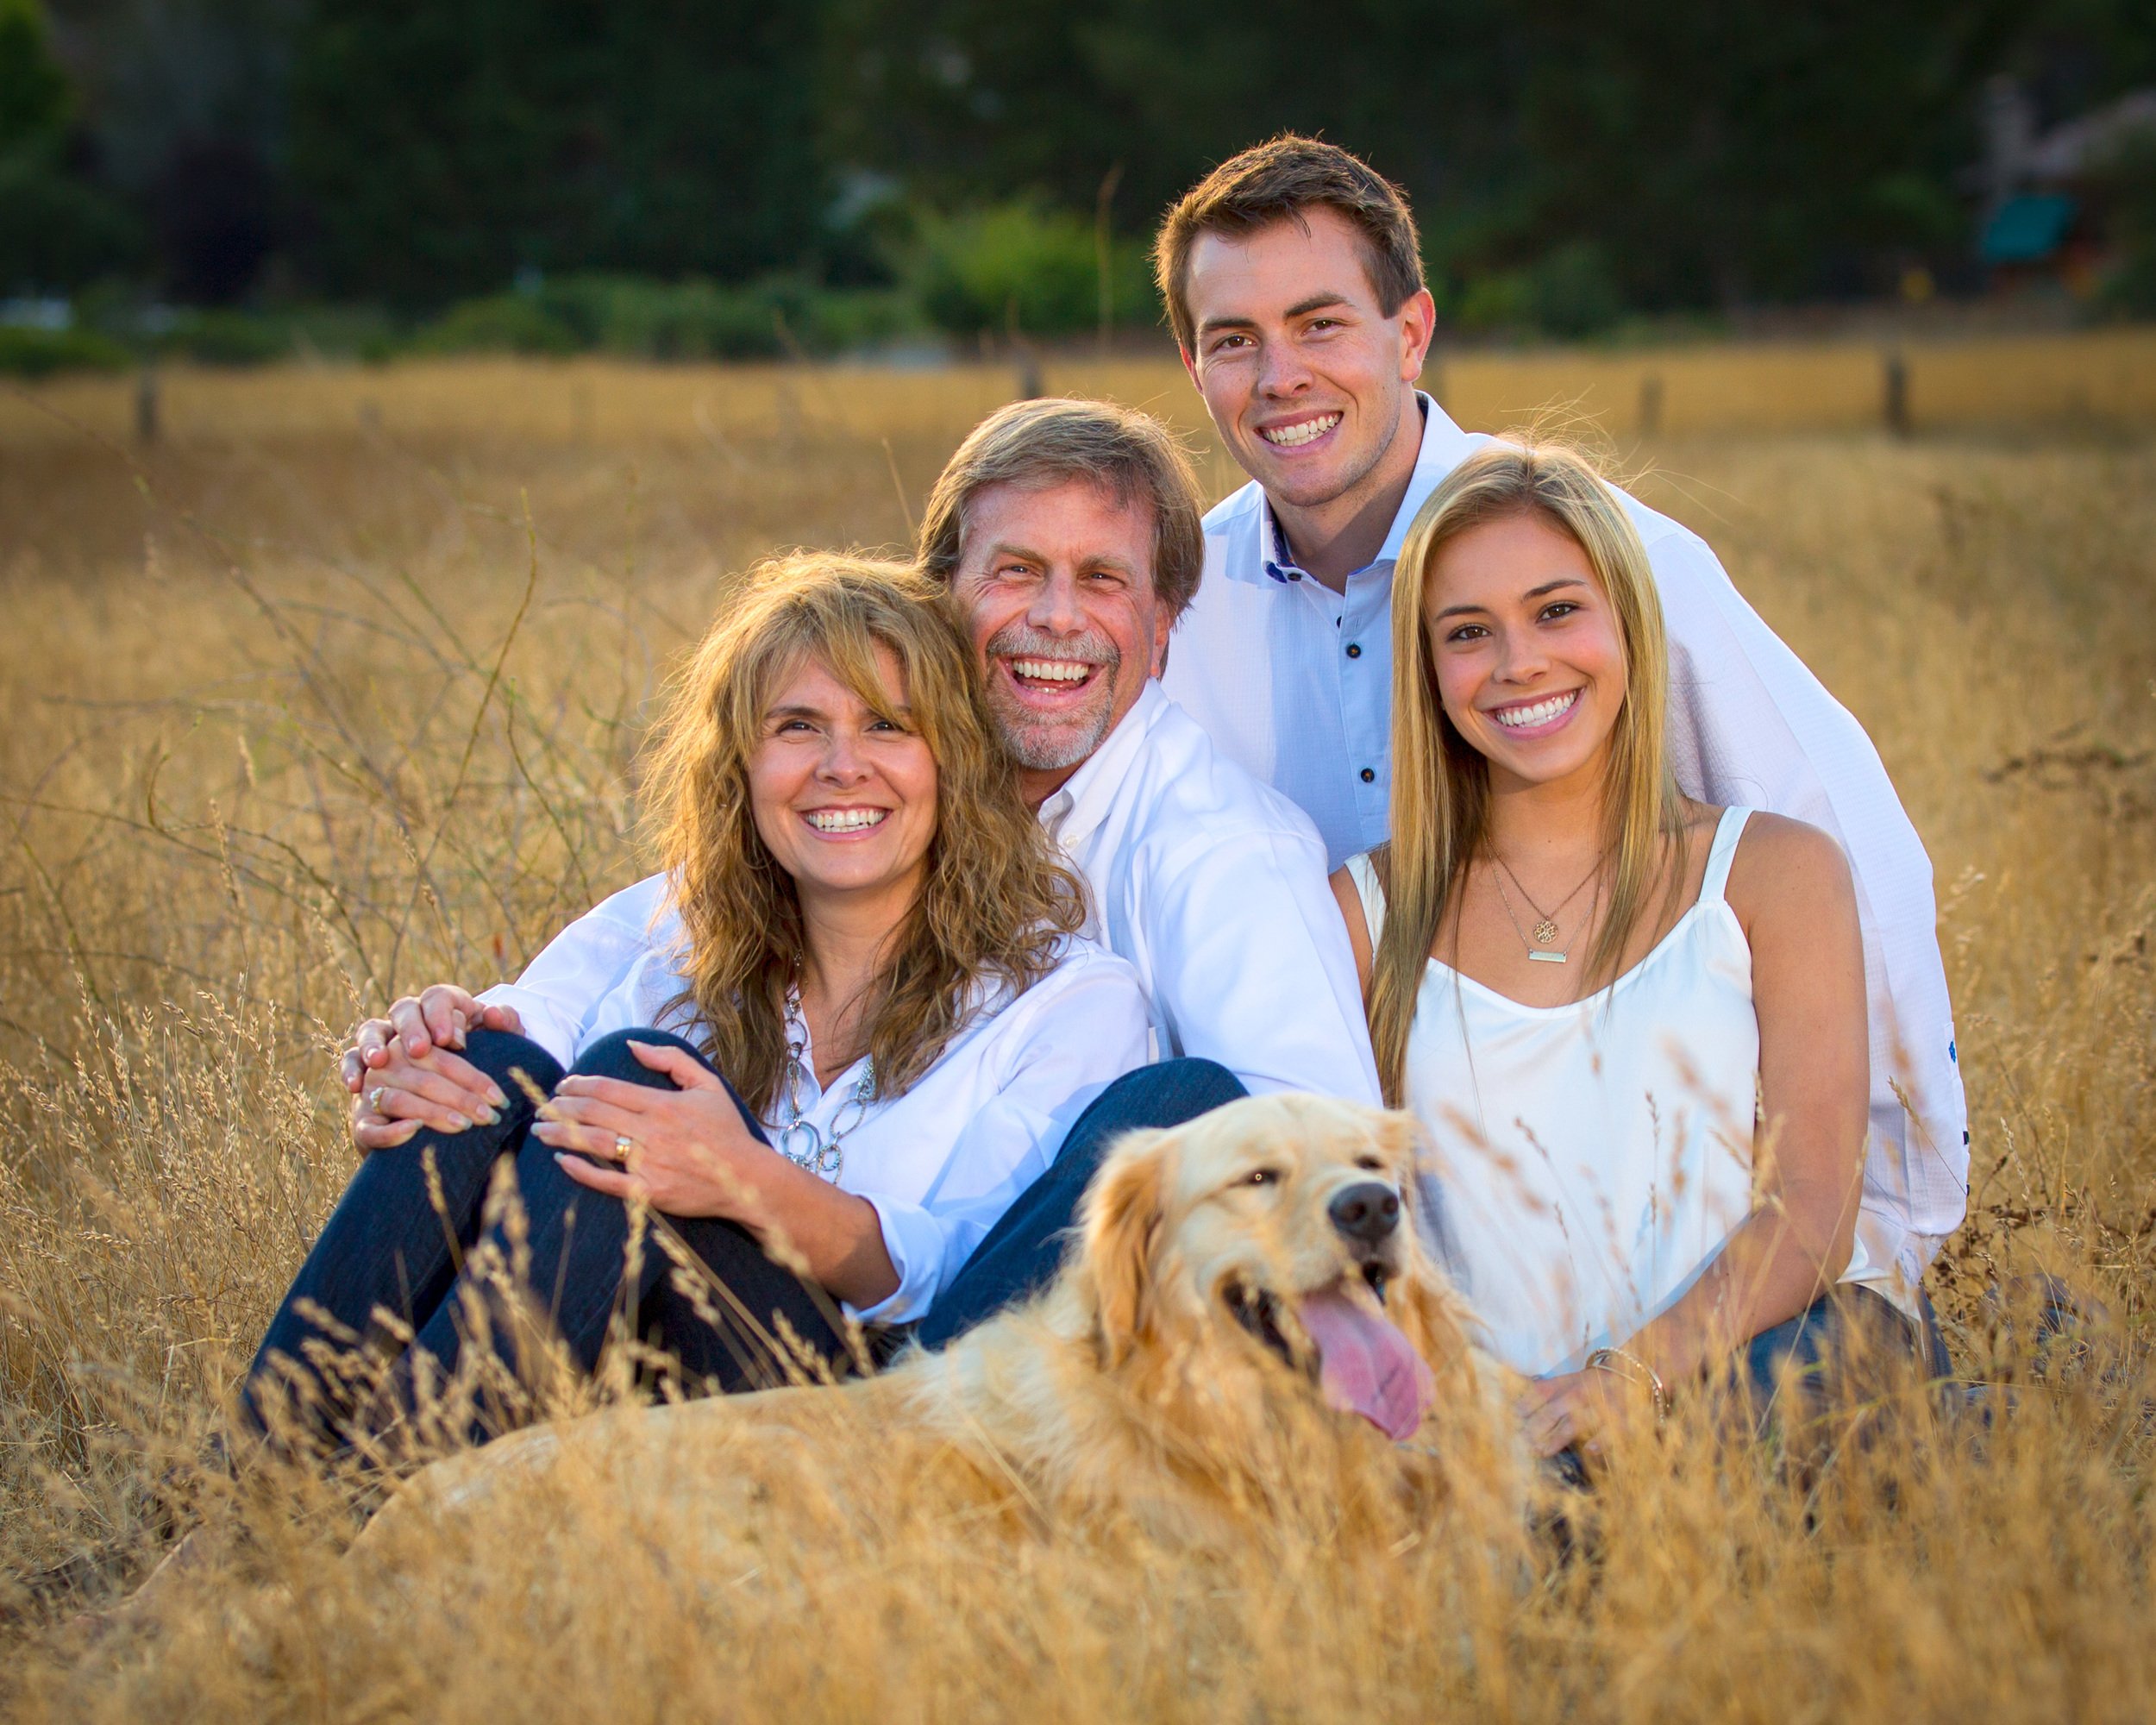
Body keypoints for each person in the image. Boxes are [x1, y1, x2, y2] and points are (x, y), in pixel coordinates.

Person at [347, 399, 1380, 1350]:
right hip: (761, 1305)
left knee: (1180, 1102)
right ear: (940, 605)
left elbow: (1315, 1167)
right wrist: (467, 1033)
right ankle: (270, 1496)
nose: (1056, 617)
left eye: (1102, 579)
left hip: (1008, 1329)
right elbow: (657, 928)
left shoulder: (1221, 857)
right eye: (1015, 571)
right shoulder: (875, 791)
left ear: (1162, 631)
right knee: (508, 1073)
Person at [1152, 133, 1968, 1314]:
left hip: (1688, 1227)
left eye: (1321, 324)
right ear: (1195, 365)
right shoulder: (1184, 611)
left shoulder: (1615, 559)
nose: (1280, 375)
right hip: (1391, 1224)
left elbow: (1837, 854)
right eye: (1236, 341)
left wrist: (1889, 1235)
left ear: (1412, 330)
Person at [246, 555, 1152, 1451]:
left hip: (855, 1421)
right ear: (743, 767)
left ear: (953, 759)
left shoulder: (1068, 998)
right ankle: (235, 1503)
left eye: (887, 724)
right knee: (491, 1064)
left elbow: (966, 1273)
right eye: (797, 726)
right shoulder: (679, 936)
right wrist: (418, 1051)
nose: (842, 766)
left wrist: (745, 1184)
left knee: (626, 1097)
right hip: (637, 1376)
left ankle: (340, 1532)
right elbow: (529, 1025)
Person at [1329, 439, 1949, 1458]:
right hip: (1492, 1418)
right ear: (1427, 667)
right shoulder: (1363, 913)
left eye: (1557, 609)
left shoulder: (1769, 873)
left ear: (1630, 621)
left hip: (1729, 1370)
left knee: (1812, 1381)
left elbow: (1814, 1199)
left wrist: (1628, 1379)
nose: (1519, 660)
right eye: (1469, 631)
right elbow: (1341, 1231)